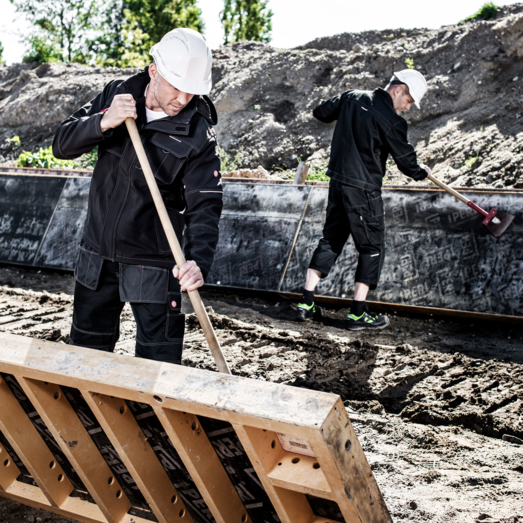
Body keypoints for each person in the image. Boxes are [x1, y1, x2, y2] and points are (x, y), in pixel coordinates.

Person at [53, 28, 223, 364]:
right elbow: (61, 145)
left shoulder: (199, 133)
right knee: (86, 357)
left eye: (192, 92)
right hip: (98, 256)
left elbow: (206, 204)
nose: (183, 100)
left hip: (156, 265)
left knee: (158, 365)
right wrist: (104, 121)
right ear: (154, 71)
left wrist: (197, 261)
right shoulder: (117, 95)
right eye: (177, 87)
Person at [296, 69, 431, 330]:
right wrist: (421, 171)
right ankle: (358, 313)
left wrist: (346, 104)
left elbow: (321, 112)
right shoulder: (392, 121)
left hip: (337, 183)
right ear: (398, 89)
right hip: (363, 191)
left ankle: (306, 302)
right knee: (371, 248)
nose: (408, 107)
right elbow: (406, 163)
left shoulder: (352, 97)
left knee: (331, 239)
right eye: (410, 100)